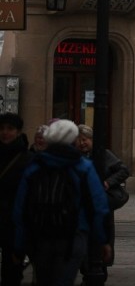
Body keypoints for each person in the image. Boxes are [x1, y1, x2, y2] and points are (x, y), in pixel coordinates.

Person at [14, 120, 110, 286]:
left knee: (44, 280)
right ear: (73, 139)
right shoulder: (83, 167)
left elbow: (20, 209)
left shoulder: (35, 166)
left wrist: (19, 245)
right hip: (73, 234)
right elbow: (98, 206)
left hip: (40, 234)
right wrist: (102, 240)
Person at [76, 124, 129, 277]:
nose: (81, 143)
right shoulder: (74, 156)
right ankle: (87, 269)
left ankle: (100, 268)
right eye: (78, 140)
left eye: (84, 139)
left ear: (92, 140)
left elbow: (123, 170)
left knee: (101, 235)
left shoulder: (102, 154)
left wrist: (107, 182)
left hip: (101, 204)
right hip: (82, 205)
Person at [0, 112, 31, 286]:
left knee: (11, 270)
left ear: (18, 132)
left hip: (13, 220)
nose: (5, 133)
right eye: (2, 129)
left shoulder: (26, 159)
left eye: (10, 129)